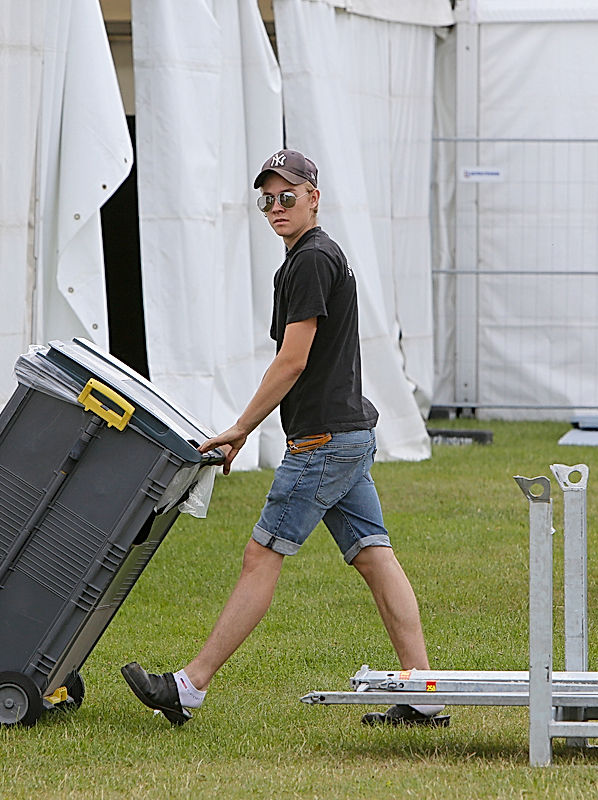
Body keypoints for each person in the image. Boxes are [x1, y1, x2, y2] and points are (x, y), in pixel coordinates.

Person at [121, 149, 446, 728]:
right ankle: (423, 694)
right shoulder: (310, 258)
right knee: (375, 557)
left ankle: (189, 687)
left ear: (314, 197)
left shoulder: (312, 260)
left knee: (260, 556)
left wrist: (240, 429)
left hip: (323, 445)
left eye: (287, 196)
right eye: (266, 199)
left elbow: (291, 361)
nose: (276, 207)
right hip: (345, 437)